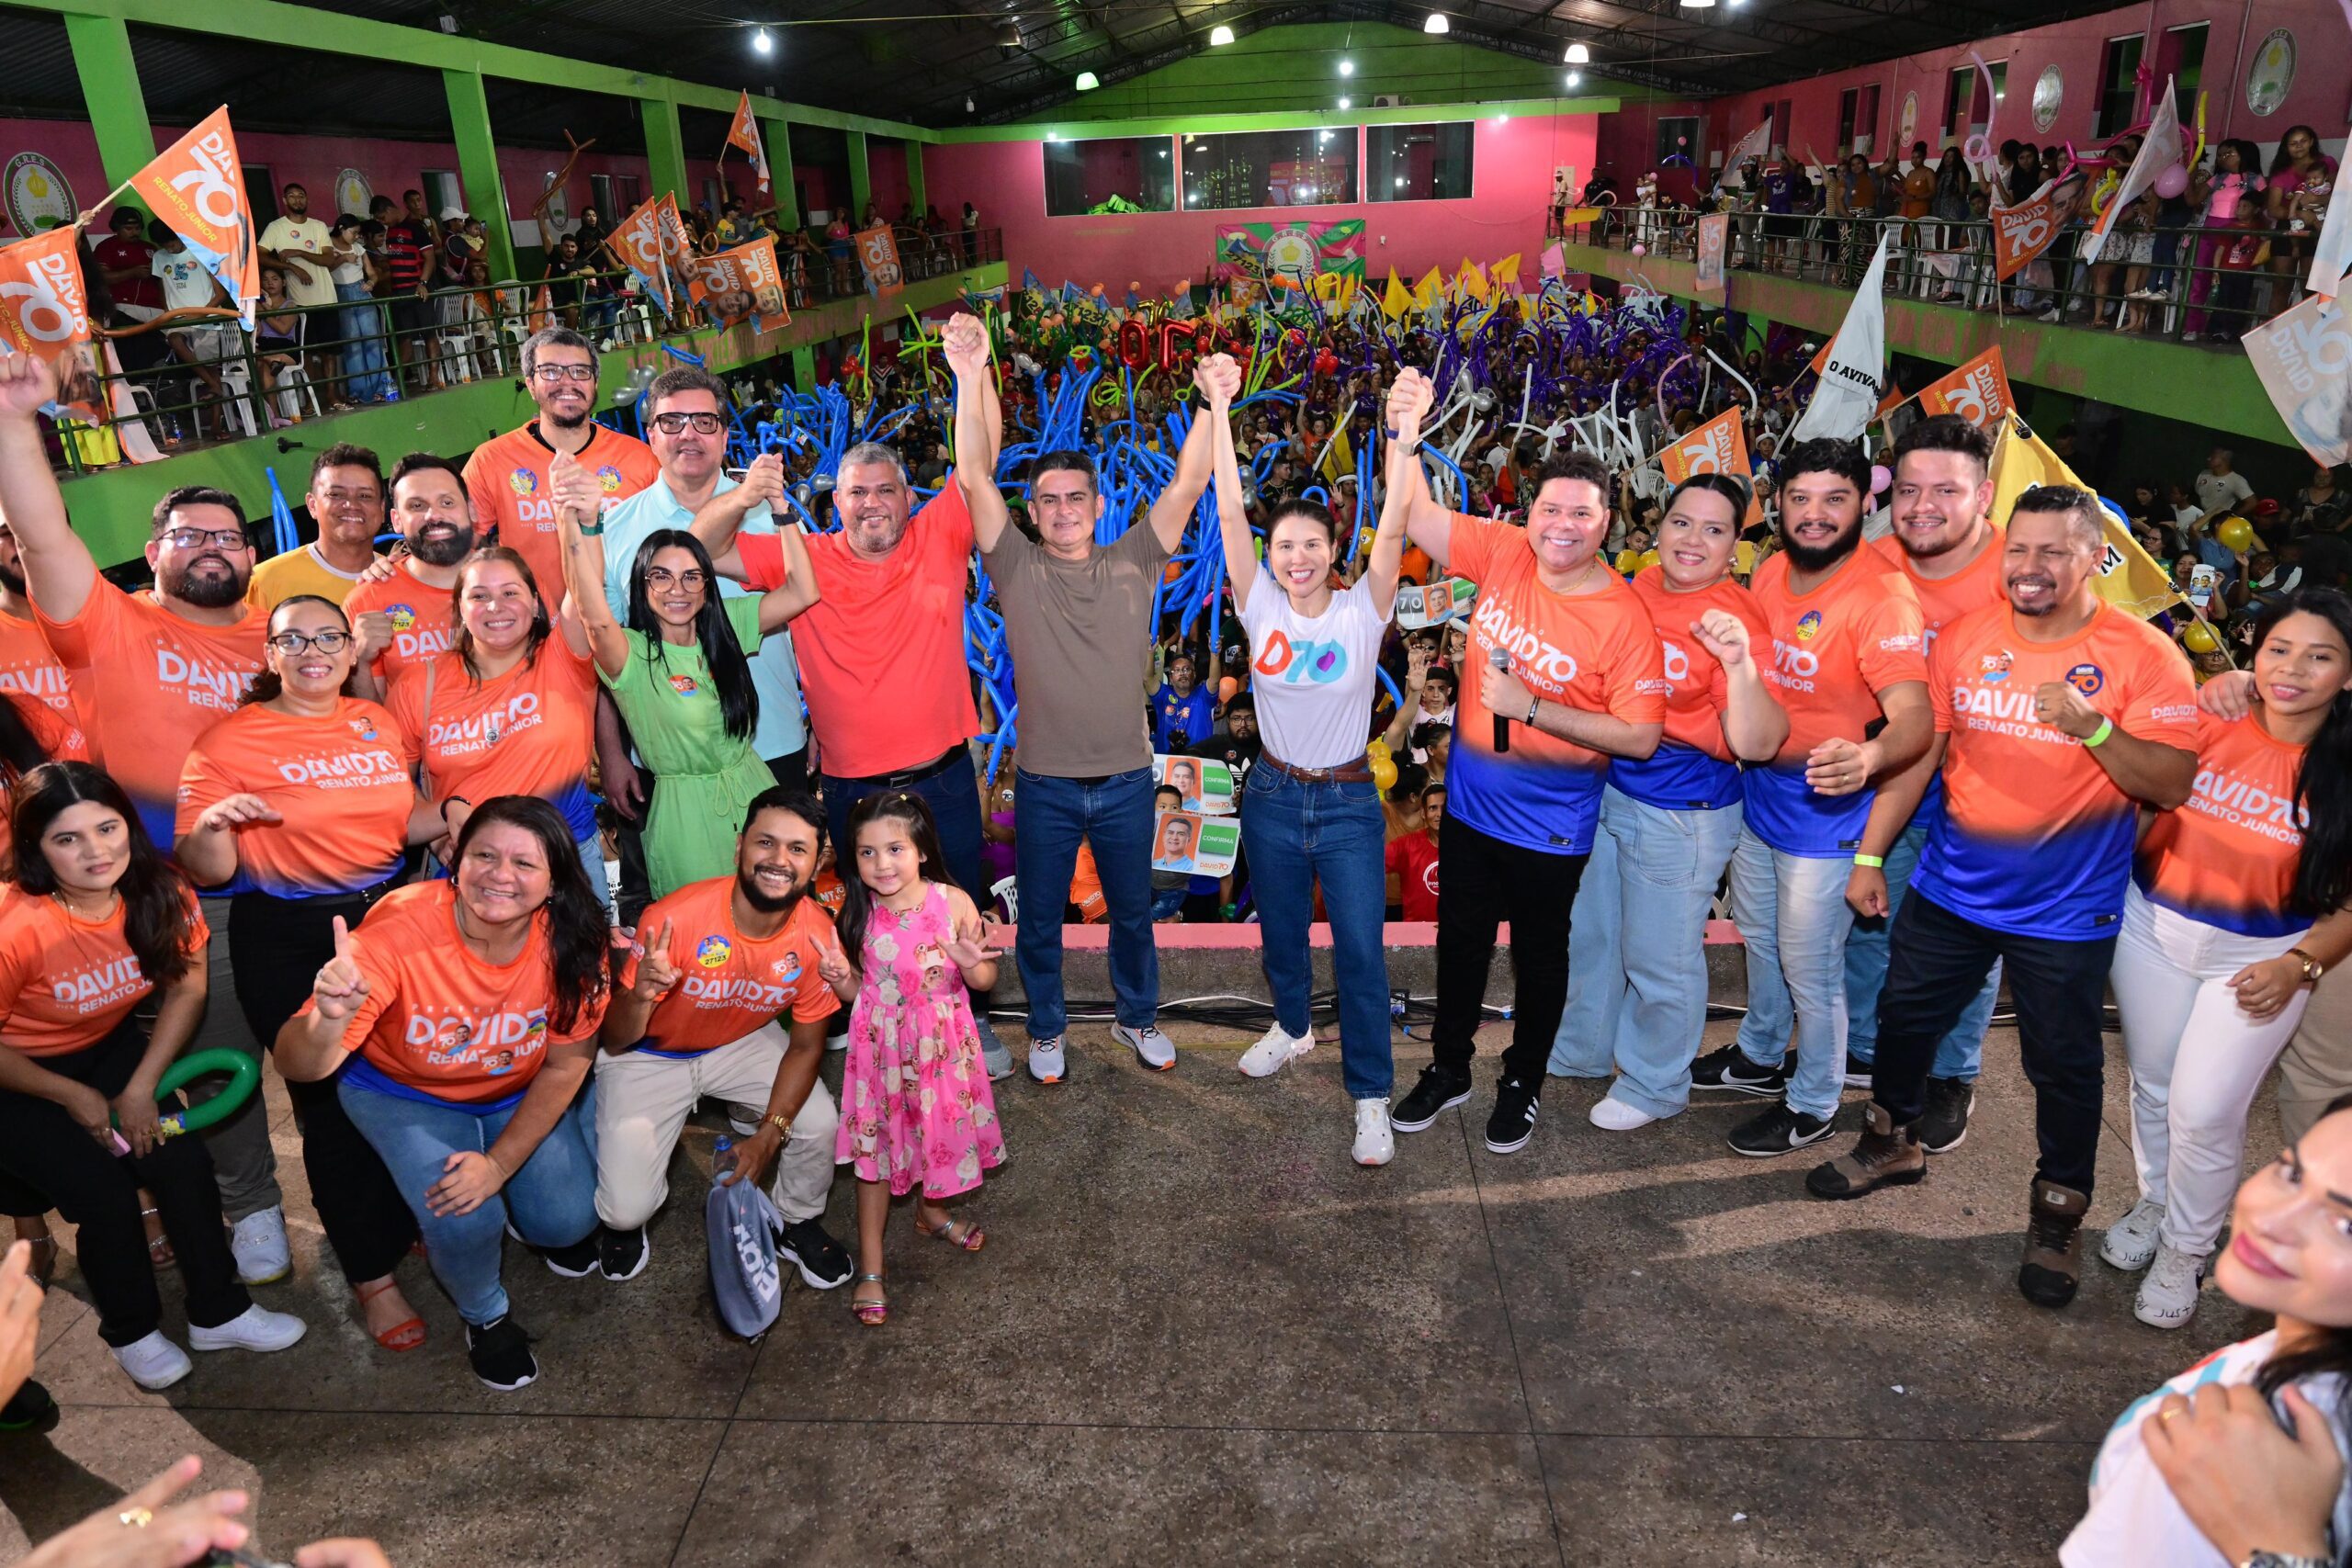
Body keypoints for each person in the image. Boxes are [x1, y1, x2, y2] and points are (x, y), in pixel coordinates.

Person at [1809, 485, 2199, 1310]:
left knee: (2063, 1067)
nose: (2030, 567)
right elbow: (1923, 755)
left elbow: (2171, 782)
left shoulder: (2145, 654)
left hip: (2067, 912)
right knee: (1903, 1022)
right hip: (1952, 889)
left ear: (2098, 557)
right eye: (2019, 548)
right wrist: (1872, 853)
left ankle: (2057, 1213)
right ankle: (1891, 1141)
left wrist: (2094, 728)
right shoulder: (1964, 639)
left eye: (2054, 550)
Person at [0, 351, 289, 1286]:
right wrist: (13, 424)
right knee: (211, 1061)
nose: (215, 544)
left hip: (291, 887)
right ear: (153, 550)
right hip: (162, 900)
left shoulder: (284, 635)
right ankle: (251, 1211)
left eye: (231, 534)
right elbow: (43, 539)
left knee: (313, 1054)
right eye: (189, 532)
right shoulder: (112, 626)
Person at [692, 314, 1013, 1075]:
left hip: (940, 773)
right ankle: (883, 1024)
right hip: (853, 783)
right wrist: (745, 495)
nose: (872, 503)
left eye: (886, 490)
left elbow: (982, 457)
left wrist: (975, 367)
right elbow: (697, 550)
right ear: (834, 501)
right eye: (856, 492)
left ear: (910, 497)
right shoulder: (802, 556)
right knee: (868, 915)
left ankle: (968, 1020)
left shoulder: (941, 533)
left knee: (956, 902)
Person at [1381, 367, 1667, 1155]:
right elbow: (1411, 513)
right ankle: (1449, 1067)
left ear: (1605, 523)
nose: (1563, 524)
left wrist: (1531, 708)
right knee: (1460, 950)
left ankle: (1523, 1080)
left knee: (1542, 962)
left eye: (1581, 512)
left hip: (1552, 832)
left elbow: (1641, 735)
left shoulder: (1624, 615)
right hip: (1470, 812)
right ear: (1529, 512)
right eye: (1551, 508)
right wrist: (1404, 433)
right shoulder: (1503, 550)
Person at [277, 795, 611, 1393]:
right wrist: (329, 1019)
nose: (500, 874)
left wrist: (500, 1162)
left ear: (555, 880)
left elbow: (569, 1063)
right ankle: (485, 1315)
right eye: (484, 854)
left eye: (524, 863)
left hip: (515, 1086)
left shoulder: (574, 943)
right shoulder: (399, 928)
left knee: (567, 1219)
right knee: (463, 1211)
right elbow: (298, 1064)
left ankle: (514, 1201)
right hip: (406, 1092)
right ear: (456, 861)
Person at [176, 593, 437, 1349]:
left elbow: (405, 816)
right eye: (294, 638)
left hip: (390, 914)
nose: (313, 649)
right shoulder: (227, 740)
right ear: (270, 654)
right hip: (290, 933)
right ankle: (372, 1277)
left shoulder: (373, 720)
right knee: (327, 1103)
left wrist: (457, 815)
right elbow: (203, 861)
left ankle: (398, 1216)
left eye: (329, 636)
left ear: (351, 653)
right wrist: (216, 826)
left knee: (403, 1073)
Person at [0, 761, 306, 1391]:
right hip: (18, 1079)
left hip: (108, 1048)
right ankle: (132, 1329)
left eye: (107, 827)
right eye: (68, 838)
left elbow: (188, 987)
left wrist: (140, 1085)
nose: (96, 851)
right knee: (105, 1197)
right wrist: (74, 1096)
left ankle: (218, 1311)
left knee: (183, 1164)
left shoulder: (160, 888)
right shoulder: (15, 924)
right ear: (35, 847)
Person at [962, 349, 1220, 1086]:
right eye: (1050, 499)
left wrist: (1206, 402)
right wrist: (969, 375)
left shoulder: (1137, 557)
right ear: (1033, 510)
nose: (1065, 509)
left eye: (1077, 497)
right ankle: (1046, 1027)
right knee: (1040, 921)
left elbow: (1190, 481)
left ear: (1100, 505)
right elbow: (975, 476)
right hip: (1043, 784)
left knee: (1133, 916)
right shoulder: (1012, 565)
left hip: (1128, 783)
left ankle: (1139, 1017)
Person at [2103, 591, 2352, 1330]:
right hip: (2152, 928)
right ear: (2254, 651)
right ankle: (2158, 1198)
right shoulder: (2204, 717)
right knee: (2151, 1083)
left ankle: (2187, 1245)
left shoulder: (2343, 768)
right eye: (2279, 649)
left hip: (2260, 957)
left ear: (2347, 674)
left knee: (2206, 1110)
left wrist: (2300, 966)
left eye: (2320, 656)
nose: (2294, 670)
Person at [1690, 438, 1930, 1156]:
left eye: (1835, 499)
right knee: (1760, 942)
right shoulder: (1767, 574)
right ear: (1779, 501)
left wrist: (1871, 755)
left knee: (1810, 964)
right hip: (1761, 801)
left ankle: (1815, 1100)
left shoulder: (1882, 596)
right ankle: (1761, 1056)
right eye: (1800, 498)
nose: (1815, 515)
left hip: (1828, 816)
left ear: (1866, 502)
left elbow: (1916, 715)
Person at [1551, 472, 1788, 1130]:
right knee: (1595, 938)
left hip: (1683, 814)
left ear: (1736, 543)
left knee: (1660, 956)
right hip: (1609, 792)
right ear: (1658, 523)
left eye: (1715, 529)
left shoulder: (1739, 616)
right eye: (1683, 522)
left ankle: (1656, 1084)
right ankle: (1581, 1050)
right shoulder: (1640, 586)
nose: (1693, 540)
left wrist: (1737, 666)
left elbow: (1760, 739)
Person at [1210, 353, 1401, 1163]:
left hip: (1352, 803)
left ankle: (1371, 1097)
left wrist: (1405, 433)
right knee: (1281, 936)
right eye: (1284, 545)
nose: (1296, 558)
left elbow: (1392, 521)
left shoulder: (1364, 610)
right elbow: (1226, 514)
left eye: (1311, 545)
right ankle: (1293, 1026)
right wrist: (1220, 409)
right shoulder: (1257, 604)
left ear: (1333, 549)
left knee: (1360, 949)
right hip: (1275, 800)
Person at [2061, 1094, 2352, 1566]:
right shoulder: (2301, 1347)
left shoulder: (2265, 1446)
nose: (2273, 1220)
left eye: (2346, 1225)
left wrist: (2281, 1552)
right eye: (2293, 1173)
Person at [594, 788, 851, 1286]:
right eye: (766, 843)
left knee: (819, 1123)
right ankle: (624, 1220)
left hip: (738, 1041)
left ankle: (795, 1219)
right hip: (648, 1051)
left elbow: (805, 1045)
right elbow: (615, 1038)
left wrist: (768, 1137)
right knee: (624, 1209)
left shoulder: (818, 935)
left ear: (818, 862)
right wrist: (641, 995)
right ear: (739, 848)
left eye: (797, 849)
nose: (779, 860)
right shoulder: (675, 918)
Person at [1848, 415, 2010, 1145]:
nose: (1922, 505)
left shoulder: (2020, 574)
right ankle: (1871, 1054)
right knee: (1872, 928)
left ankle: (1951, 1075)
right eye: (1909, 488)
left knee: (1963, 950)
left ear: (1985, 493)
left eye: (1946, 489)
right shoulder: (1871, 562)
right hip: (1888, 787)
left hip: (1982, 804)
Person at [558, 456, 818, 901]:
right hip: (686, 819)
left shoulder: (727, 625)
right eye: (660, 577)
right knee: (704, 938)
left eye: (691, 577)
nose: (676, 590)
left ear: (706, 585)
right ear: (641, 584)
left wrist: (782, 510)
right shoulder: (631, 653)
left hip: (757, 796)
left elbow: (802, 591)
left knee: (776, 920)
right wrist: (582, 526)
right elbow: (591, 612)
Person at [815, 792, 1006, 1327]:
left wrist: (973, 967)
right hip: (880, 1053)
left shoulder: (955, 902)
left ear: (921, 848)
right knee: (877, 1154)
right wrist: (840, 980)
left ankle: (931, 1211)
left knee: (933, 1136)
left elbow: (986, 980)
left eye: (895, 848)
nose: (882, 864)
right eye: (867, 853)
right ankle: (872, 1268)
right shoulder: (856, 911)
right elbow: (859, 993)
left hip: (941, 1050)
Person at [598, 368, 810, 801]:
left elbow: (812, 627)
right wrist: (613, 753)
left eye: (704, 421)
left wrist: (826, 720)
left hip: (774, 740)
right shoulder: (615, 531)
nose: (688, 434)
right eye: (672, 422)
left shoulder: (774, 519)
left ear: (725, 435)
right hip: (669, 762)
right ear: (651, 436)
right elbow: (604, 654)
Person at [386, 545, 606, 909]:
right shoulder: (417, 686)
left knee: (578, 968)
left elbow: (587, 584)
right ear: (460, 608)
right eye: (479, 596)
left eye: (509, 593)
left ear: (536, 604)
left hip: (568, 866)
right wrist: (437, 826)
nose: (495, 606)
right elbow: (392, 798)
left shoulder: (564, 659)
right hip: (473, 874)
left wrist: (580, 518)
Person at [463, 328, 662, 607]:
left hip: (624, 626)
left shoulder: (638, 458)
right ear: (530, 384)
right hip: (534, 629)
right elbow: (460, 545)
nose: (567, 382)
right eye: (551, 371)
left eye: (580, 371)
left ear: (595, 383)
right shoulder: (491, 460)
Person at [345, 452, 477, 694]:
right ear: (396, 520)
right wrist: (360, 661)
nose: (434, 515)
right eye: (417, 506)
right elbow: (369, 721)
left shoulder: (513, 584)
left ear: (471, 509)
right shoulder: (367, 602)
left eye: (447, 502)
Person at [248, 444, 386, 611]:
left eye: (365, 496)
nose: (351, 505)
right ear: (312, 505)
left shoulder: (399, 578)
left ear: (382, 509)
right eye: (335, 495)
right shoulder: (265, 582)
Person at [1386, 780, 1443, 922]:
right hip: (1414, 935)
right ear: (1423, 813)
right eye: (1433, 808)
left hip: (1457, 933)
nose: (1439, 814)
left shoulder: (1467, 847)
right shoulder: (1406, 845)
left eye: (1445, 808)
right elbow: (1370, 866)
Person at [1151, 652, 1216, 752]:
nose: (1182, 673)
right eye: (1177, 670)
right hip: (1165, 762)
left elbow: (1214, 681)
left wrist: (1214, 653)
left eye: (1186, 669)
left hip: (1201, 762)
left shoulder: (1203, 695)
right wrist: (1150, 652)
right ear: (1171, 678)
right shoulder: (1163, 695)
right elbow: (1147, 679)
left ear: (1194, 674)